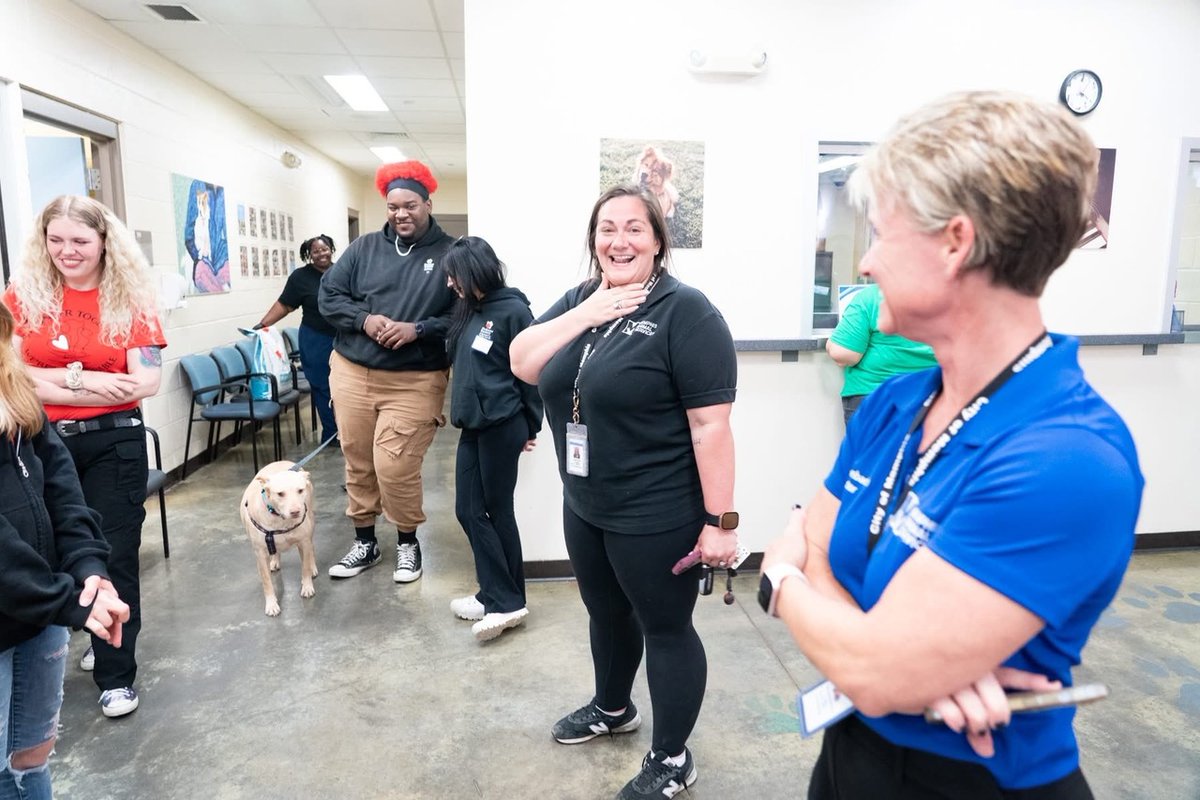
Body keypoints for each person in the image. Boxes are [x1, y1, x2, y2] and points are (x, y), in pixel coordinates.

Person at [759, 91, 1144, 798]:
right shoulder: (895, 402)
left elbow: (857, 641)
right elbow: (820, 549)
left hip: (974, 778)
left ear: (955, 242)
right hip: (852, 755)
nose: (867, 263)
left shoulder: (1068, 457)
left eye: (878, 233)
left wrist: (781, 582)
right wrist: (881, 660)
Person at [510, 185, 738, 799]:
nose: (619, 240)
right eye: (607, 228)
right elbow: (523, 362)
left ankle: (671, 758)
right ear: (594, 241)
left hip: (657, 510)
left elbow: (710, 425)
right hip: (585, 502)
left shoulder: (687, 312)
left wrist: (721, 521)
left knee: (666, 628)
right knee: (605, 612)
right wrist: (588, 311)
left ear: (659, 241)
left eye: (635, 228)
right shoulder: (582, 300)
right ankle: (613, 710)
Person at [3, 194, 166, 720]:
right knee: (46, 553)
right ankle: (67, 639)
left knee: (112, 556)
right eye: (56, 240)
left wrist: (47, 378)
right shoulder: (22, 298)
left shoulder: (131, 301)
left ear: (104, 243)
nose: (67, 251)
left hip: (114, 442)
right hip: (38, 441)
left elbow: (145, 383)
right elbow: (11, 374)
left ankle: (116, 675)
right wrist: (90, 377)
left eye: (80, 241)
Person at [0, 300, 131, 797]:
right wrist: (66, 599)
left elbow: (59, 483)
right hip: (34, 600)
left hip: (39, 615)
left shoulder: (14, 393)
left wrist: (88, 568)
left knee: (33, 755)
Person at [319, 160, 456, 584]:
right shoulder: (363, 249)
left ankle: (408, 543)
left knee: (394, 465)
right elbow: (330, 295)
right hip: (353, 372)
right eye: (393, 206)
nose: (401, 214)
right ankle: (365, 541)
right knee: (358, 460)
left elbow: (465, 313)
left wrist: (418, 329)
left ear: (428, 204)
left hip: (415, 379)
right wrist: (365, 320)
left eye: (410, 205)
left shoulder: (451, 253)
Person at [442, 236, 543, 641]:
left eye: (454, 274)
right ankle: (498, 594)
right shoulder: (469, 310)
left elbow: (532, 371)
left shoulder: (514, 311)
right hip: (473, 425)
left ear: (474, 270)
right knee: (469, 510)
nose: (450, 282)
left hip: (503, 424)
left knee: (496, 510)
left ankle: (506, 602)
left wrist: (531, 425)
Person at [256, 234, 340, 443]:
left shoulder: (342, 271)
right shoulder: (300, 277)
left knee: (346, 386)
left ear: (331, 249)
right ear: (309, 255)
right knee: (322, 387)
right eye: (316, 251)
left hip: (343, 337)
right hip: (315, 338)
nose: (321, 254)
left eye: (324, 249)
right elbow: (285, 304)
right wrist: (264, 324)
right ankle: (331, 435)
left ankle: (349, 433)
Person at [826, 282, 937, 426]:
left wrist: (831, 345)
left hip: (874, 396)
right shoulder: (954, 298)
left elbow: (843, 354)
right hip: (935, 397)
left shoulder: (872, 296)